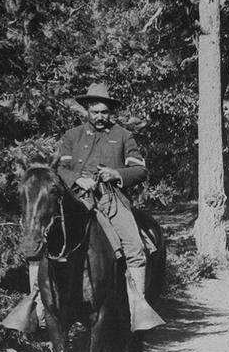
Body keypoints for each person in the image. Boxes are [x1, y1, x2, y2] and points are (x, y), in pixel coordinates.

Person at [52, 83, 164, 331]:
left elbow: (140, 170)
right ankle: (39, 305)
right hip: (78, 198)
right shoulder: (72, 136)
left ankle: (138, 307)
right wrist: (75, 179)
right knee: (44, 240)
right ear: (87, 111)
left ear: (110, 111)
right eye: (95, 112)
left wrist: (116, 173)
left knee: (135, 247)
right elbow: (60, 167)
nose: (100, 117)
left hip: (111, 199)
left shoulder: (123, 136)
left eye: (105, 112)